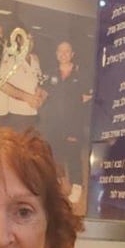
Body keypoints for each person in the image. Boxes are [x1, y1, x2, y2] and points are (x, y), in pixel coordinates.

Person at [39, 38, 89, 202]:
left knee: (73, 155)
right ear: (56, 54)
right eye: (60, 51)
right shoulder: (50, 74)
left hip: (73, 123)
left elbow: (88, 96)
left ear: (72, 54)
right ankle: (57, 186)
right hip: (53, 124)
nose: (63, 54)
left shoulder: (81, 74)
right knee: (54, 155)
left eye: (67, 51)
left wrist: (76, 106)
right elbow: (43, 94)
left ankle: (77, 185)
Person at [0, 25, 46, 129]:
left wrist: (39, 97)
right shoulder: (10, 57)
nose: (29, 42)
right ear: (19, 39)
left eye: (31, 38)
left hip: (32, 114)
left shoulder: (35, 59)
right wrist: (28, 98)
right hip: (10, 114)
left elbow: (38, 82)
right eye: (26, 38)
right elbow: (0, 83)